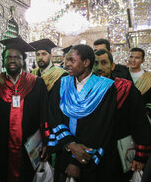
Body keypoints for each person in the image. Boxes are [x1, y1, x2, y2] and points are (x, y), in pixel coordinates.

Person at [47, 44, 117, 182]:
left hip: (89, 155)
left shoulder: (105, 87)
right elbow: (54, 115)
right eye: (67, 60)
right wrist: (70, 145)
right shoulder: (61, 83)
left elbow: (101, 126)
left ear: (86, 63)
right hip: (65, 149)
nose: (67, 64)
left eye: (72, 60)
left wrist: (76, 162)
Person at [0, 36, 48, 182]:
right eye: (8, 57)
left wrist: (46, 141)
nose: (12, 60)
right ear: (3, 60)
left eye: (16, 57)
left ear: (22, 60)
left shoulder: (36, 84)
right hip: (0, 147)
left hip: (29, 146)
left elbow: (44, 115)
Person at [94, 49, 151, 181]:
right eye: (95, 63)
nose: (99, 68)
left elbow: (140, 123)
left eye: (104, 63)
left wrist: (140, 156)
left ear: (112, 66)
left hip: (119, 153)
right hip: (93, 153)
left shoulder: (126, 89)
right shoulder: (85, 89)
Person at [128, 47, 151, 118]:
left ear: (143, 60)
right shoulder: (122, 74)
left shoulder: (149, 77)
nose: (133, 60)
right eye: (131, 57)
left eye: (137, 58)